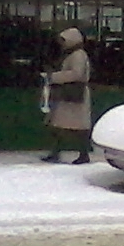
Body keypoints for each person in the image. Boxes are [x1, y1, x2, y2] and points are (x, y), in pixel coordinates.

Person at [41, 27, 92, 164]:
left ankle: (79, 153)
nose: (62, 43)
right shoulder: (74, 54)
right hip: (71, 94)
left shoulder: (78, 55)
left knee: (70, 126)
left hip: (74, 94)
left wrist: (53, 77)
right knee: (63, 124)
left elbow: (76, 74)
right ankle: (75, 153)